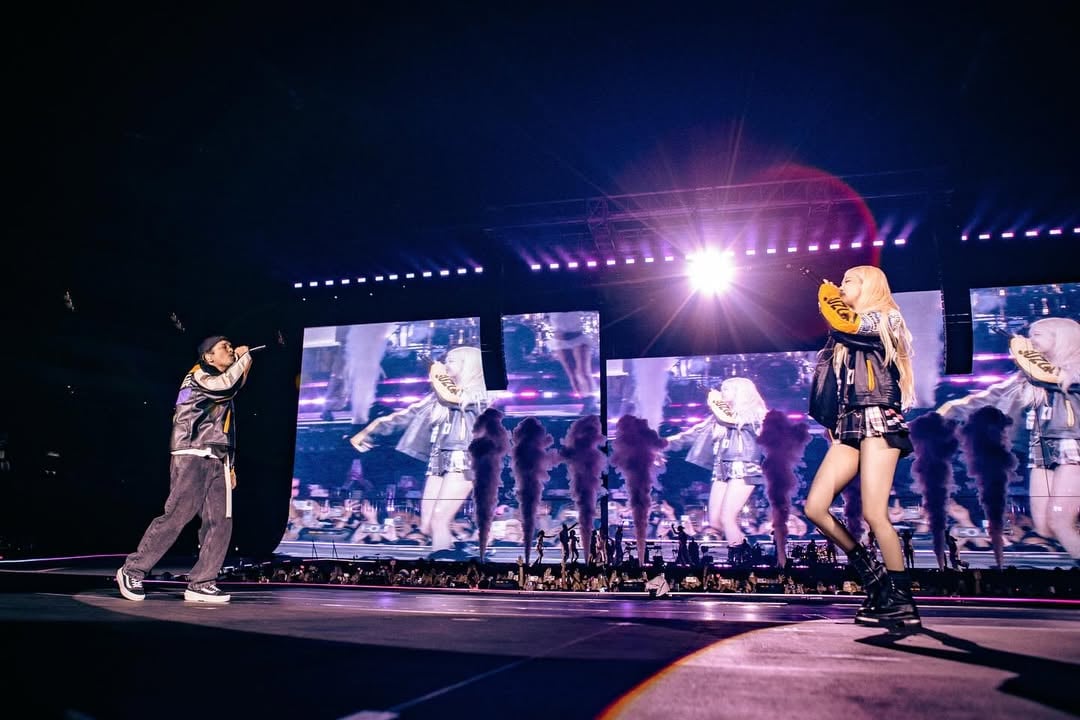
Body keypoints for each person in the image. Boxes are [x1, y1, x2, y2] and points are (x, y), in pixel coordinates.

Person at [803, 265, 920, 629]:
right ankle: (874, 578)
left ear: (869, 284)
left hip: (879, 417)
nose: (841, 287)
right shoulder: (842, 335)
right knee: (815, 507)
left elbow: (855, 327)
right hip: (849, 424)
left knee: (875, 514)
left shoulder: (887, 317)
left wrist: (829, 301)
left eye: (848, 281)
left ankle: (901, 600)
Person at [116, 336, 253, 603]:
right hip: (192, 452)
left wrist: (231, 464)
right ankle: (132, 570)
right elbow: (227, 386)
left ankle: (202, 582)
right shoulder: (198, 375)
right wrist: (244, 358)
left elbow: (228, 423)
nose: (230, 349)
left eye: (230, 346)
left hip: (218, 456)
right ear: (208, 356)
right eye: (224, 347)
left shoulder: (220, 380)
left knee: (220, 522)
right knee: (178, 515)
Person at [939, 317, 1080, 560]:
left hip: (1072, 443)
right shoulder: (1029, 376)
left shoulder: (1072, 369)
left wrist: (1021, 349)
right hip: (1043, 445)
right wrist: (942, 413)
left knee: (1060, 520)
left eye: (1038, 335)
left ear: (1062, 338)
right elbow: (989, 397)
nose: (1029, 340)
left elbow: (1047, 374)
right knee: (1044, 526)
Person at [349, 346, 489, 552]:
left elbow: (454, 398)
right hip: (439, 458)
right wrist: (371, 431)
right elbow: (407, 415)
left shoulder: (480, 393)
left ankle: (445, 564)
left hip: (465, 458)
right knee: (427, 524)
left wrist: (437, 372)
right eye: (446, 361)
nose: (445, 364)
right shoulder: (437, 397)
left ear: (469, 366)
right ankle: (456, 550)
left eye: (452, 361)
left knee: (440, 518)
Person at [664, 377, 767, 547]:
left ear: (740, 392)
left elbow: (730, 419)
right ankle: (726, 552)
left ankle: (743, 557)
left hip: (744, 467)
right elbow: (691, 435)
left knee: (728, 518)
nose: (721, 392)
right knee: (715, 523)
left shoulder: (755, 414)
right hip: (721, 469)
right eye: (722, 389)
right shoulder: (717, 418)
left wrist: (714, 401)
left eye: (727, 389)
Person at [546, 311, 597, 414]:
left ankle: (591, 401)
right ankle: (586, 401)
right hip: (559, 340)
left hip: (577, 338)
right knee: (572, 375)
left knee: (582, 372)